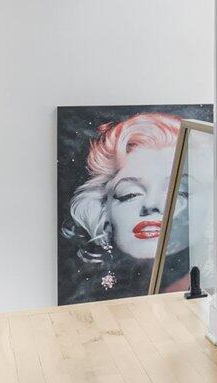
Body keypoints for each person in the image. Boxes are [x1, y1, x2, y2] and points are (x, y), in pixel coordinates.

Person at [63, 111, 189, 301]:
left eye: (179, 191)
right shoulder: (82, 297)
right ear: (103, 209)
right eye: (129, 194)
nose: (152, 205)